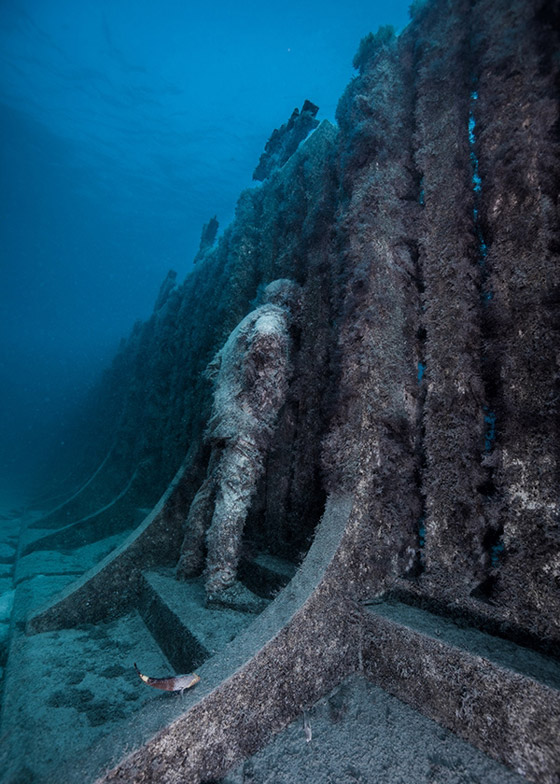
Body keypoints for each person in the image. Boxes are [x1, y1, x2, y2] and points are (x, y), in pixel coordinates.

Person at [176, 278, 301, 610]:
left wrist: (228, 400)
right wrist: (261, 404)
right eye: (297, 302)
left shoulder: (241, 325)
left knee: (209, 490)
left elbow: (214, 367)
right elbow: (267, 342)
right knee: (233, 499)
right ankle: (220, 583)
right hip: (245, 423)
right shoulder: (273, 317)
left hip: (223, 420)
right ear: (288, 300)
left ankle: (188, 561)